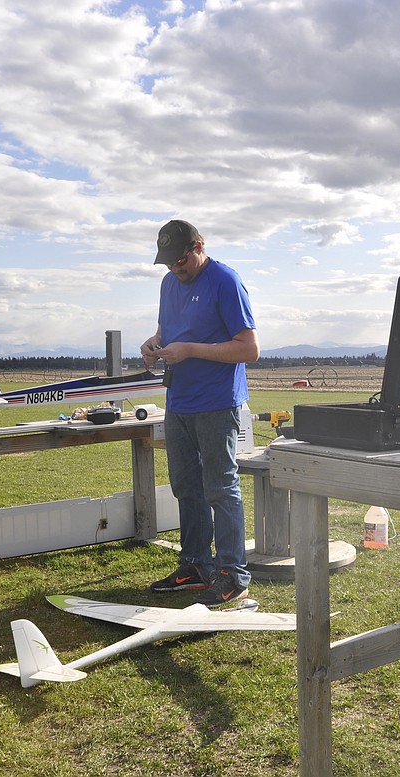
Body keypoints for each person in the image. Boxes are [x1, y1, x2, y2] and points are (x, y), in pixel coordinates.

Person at [141, 219, 259, 607]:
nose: (176, 269)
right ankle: (194, 564)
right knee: (185, 488)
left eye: (180, 261)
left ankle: (233, 575)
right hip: (179, 403)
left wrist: (190, 349)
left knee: (221, 489)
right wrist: (154, 343)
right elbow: (166, 330)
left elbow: (248, 349)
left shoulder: (226, 281)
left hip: (217, 403)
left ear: (199, 246)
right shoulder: (169, 283)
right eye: (168, 264)